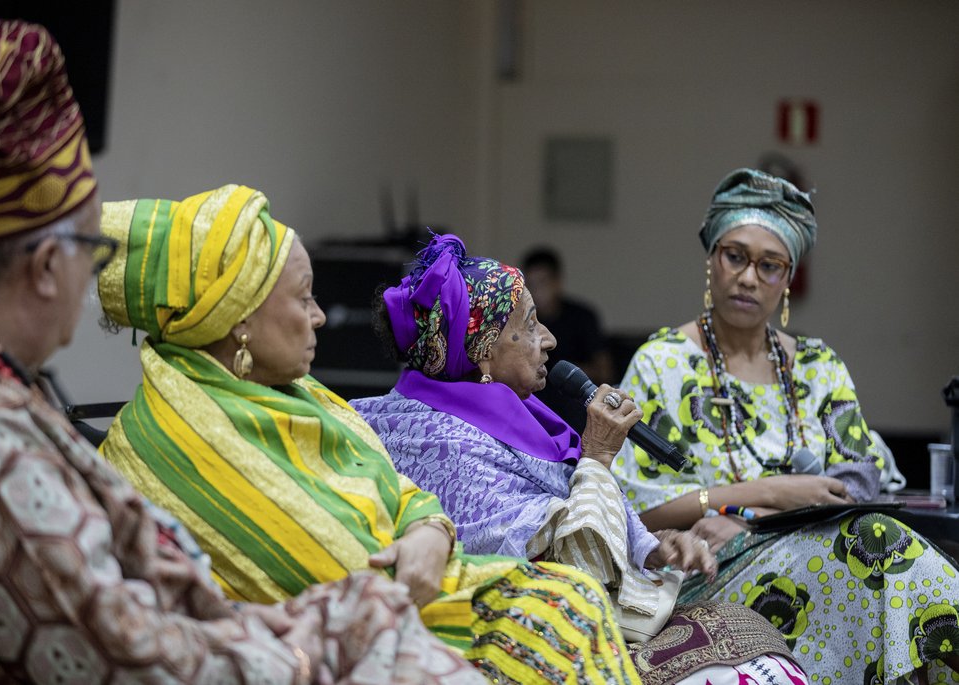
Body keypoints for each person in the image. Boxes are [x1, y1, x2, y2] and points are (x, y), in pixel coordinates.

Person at [0, 19, 485, 684]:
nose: (94, 280)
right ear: (49, 266)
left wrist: (310, 623)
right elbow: (141, 659)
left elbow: (169, 613)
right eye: (93, 252)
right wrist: (335, 633)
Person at [95, 184, 644, 684]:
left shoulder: (308, 395)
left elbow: (399, 495)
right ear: (239, 316)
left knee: (579, 604)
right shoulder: (184, 432)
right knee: (568, 611)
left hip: (415, 593)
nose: (321, 318)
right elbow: (333, 567)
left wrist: (431, 531)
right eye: (304, 297)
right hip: (352, 641)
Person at [352, 233, 805, 685]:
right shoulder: (434, 440)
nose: (548, 339)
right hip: (528, 643)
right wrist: (598, 456)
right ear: (483, 350)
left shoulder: (515, 412)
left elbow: (569, 525)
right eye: (530, 325)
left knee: (753, 639)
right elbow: (571, 574)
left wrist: (651, 549)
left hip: (587, 620)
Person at [610, 168, 959, 683]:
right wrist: (772, 491)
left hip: (817, 547)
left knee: (877, 544)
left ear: (788, 279)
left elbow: (858, 479)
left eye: (770, 265)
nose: (749, 278)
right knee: (875, 546)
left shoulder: (819, 365)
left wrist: (750, 516)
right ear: (712, 260)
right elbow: (633, 503)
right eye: (735, 256)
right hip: (704, 569)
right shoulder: (660, 363)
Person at [521, 247, 613, 433]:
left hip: (576, 409)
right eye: (531, 284)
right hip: (535, 409)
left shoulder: (582, 317)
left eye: (543, 282)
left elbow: (605, 372)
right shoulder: (520, 321)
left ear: (557, 282)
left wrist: (566, 375)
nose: (538, 291)